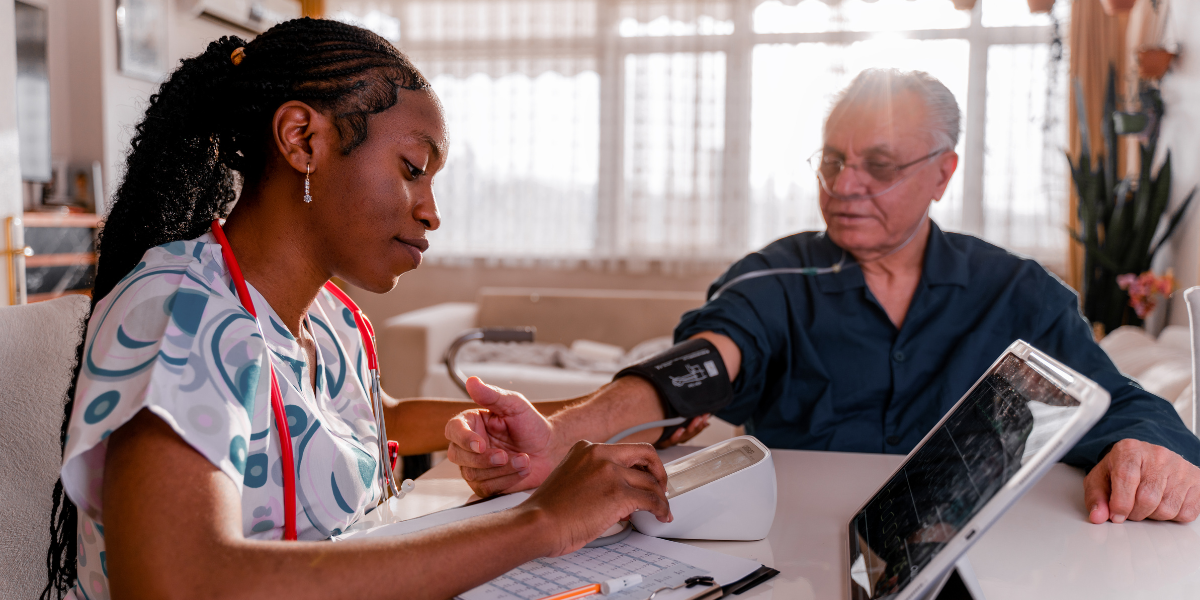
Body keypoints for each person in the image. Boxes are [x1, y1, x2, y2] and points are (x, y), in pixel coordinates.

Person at [43, 19, 672, 600]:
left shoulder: (333, 318)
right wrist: (541, 523)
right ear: (303, 139)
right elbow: (176, 581)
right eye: (412, 169)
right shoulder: (181, 312)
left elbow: (359, 418)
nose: (432, 211)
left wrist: (526, 431)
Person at [445, 69, 1200, 526]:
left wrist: (1152, 450)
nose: (844, 186)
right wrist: (567, 430)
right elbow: (699, 365)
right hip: (786, 553)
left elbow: (1117, 401)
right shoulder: (775, 278)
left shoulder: (1018, 293)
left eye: (877, 164)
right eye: (833, 160)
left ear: (943, 173)